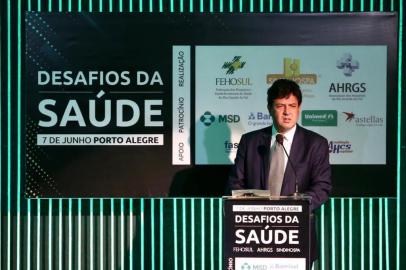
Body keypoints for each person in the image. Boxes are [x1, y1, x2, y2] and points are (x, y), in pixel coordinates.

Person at [227, 78, 332, 263]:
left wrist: (293, 209)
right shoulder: (250, 142)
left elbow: (322, 188)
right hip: (255, 235)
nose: (287, 112)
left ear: (299, 107)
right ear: (269, 108)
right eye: (280, 106)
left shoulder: (316, 144)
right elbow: (235, 185)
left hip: (296, 234)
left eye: (292, 105)